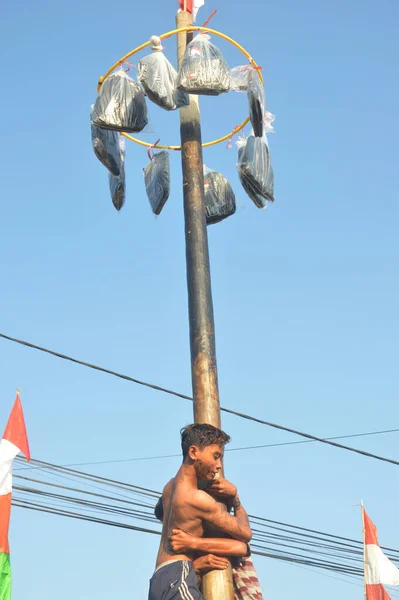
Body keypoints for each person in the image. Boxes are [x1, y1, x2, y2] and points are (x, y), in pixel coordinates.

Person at [148, 423, 252, 600]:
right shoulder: (197, 499)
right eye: (216, 456)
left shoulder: (169, 487)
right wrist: (235, 499)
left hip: (160, 578)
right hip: (178, 576)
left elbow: (160, 513)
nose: (219, 465)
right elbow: (245, 535)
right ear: (193, 452)